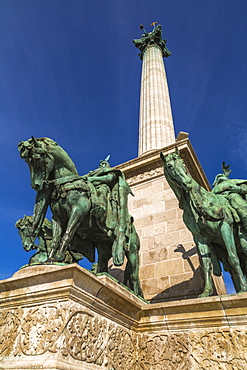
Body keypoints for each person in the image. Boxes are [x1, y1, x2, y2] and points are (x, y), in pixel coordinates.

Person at [83, 156, 133, 265]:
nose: (102, 165)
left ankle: (100, 207)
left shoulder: (111, 172)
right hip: (91, 191)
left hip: (108, 197)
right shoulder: (90, 173)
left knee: (102, 189)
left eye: (104, 164)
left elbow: (108, 179)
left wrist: (93, 179)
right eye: (101, 164)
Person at [212, 164, 247, 229]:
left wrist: (239, 189)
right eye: (218, 177)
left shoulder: (234, 181)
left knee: (234, 197)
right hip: (219, 201)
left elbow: (245, 188)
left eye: (221, 175)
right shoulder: (213, 190)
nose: (220, 177)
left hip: (232, 196)